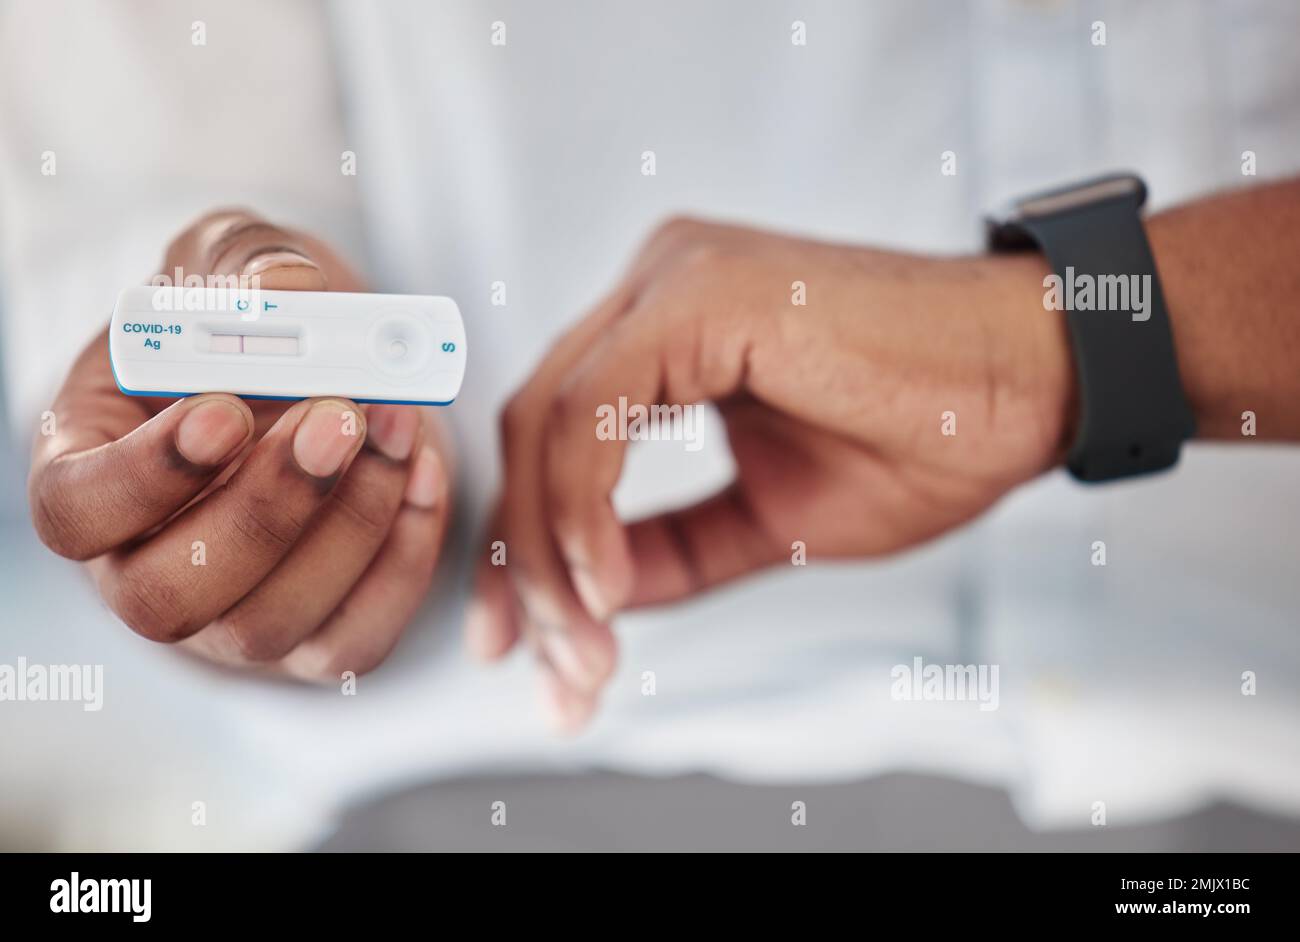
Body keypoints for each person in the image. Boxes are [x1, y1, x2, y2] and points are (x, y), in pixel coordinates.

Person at [3, 0, 1299, 847]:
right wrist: (235, 544)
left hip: (1244, 751)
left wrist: (1063, 342)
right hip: (522, 776)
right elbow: (128, 271)